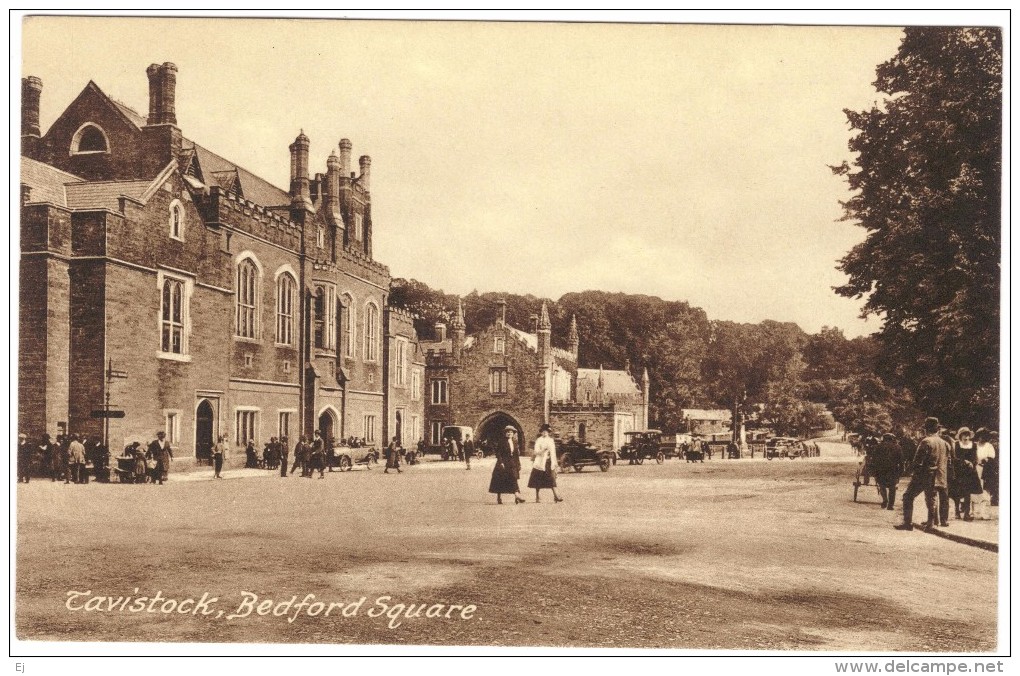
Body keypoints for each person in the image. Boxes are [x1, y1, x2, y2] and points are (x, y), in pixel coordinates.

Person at [896, 417, 951, 531]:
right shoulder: (945, 443)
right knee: (931, 498)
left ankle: (908, 523)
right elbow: (948, 461)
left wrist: (912, 473)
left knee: (908, 496)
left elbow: (918, 461)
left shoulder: (926, 442)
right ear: (937, 430)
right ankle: (931, 523)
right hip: (940, 475)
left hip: (925, 475)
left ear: (926, 429)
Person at [949, 427, 983, 520]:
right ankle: (957, 511)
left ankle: (966, 514)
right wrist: (964, 462)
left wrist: (973, 463)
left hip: (969, 472)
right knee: (957, 492)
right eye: (964, 435)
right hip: (959, 471)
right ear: (960, 436)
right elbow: (954, 458)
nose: (966, 437)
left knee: (968, 492)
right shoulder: (956, 444)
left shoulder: (973, 445)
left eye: (967, 435)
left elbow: (975, 458)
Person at [489, 425, 524, 505]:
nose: (509, 433)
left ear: (513, 433)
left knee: (513, 478)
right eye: (508, 432)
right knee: (500, 480)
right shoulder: (502, 441)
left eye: (511, 432)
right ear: (505, 433)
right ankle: (499, 497)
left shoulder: (515, 442)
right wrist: (501, 462)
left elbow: (516, 455)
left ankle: (517, 496)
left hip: (512, 463)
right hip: (503, 463)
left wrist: (518, 464)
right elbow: (498, 453)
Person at [528, 424, 563, 503]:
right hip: (540, 462)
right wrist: (543, 450)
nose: (544, 433)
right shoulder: (539, 440)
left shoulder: (551, 440)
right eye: (543, 431)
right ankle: (537, 497)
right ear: (541, 432)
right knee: (538, 480)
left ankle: (556, 496)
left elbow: (553, 452)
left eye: (546, 431)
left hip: (549, 462)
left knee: (552, 478)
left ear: (549, 432)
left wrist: (555, 462)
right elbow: (536, 452)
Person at [871, 433, 902, 510]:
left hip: (881, 469)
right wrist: (901, 472)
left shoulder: (878, 447)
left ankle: (885, 500)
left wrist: (874, 471)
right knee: (892, 488)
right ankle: (890, 505)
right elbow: (901, 461)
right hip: (893, 470)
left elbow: (874, 459)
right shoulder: (898, 447)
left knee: (882, 485)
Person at [971, 429, 996, 519]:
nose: (982, 438)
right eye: (980, 436)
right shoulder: (974, 445)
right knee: (973, 490)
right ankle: (972, 512)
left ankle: (983, 513)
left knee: (984, 490)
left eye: (984, 436)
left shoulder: (989, 446)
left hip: (985, 470)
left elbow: (991, 457)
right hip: (975, 469)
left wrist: (985, 460)